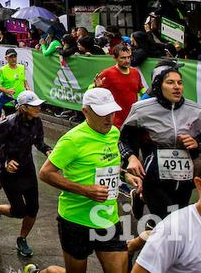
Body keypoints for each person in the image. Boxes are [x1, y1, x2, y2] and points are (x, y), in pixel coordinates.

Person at [38, 87, 144, 273]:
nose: (109, 118)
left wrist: (125, 175)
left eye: (111, 111)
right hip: (76, 220)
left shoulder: (114, 133)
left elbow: (106, 165)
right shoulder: (72, 140)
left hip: (107, 218)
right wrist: (85, 190)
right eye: (102, 113)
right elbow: (45, 173)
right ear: (85, 111)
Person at [120, 62, 201, 219]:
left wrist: (197, 143)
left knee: (178, 218)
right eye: (170, 82)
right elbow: (124, 139)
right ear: (159, 86)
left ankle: (142, 203)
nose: (177, 87)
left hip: (185, 178)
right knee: (166, 220)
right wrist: (131, 158)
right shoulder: (141, 109)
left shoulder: (196, 111)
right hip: (154, 176)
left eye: (180, 83)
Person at [0, 90, 52, 258]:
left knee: (33, 209)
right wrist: (5, 161)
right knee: (19, 211)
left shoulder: (37, 121)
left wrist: (48, 150)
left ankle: (22, 239)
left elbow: (39, 142)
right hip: (9, 172)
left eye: (39, 105)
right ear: (23, 107)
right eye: (34, 106)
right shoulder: (8, 123)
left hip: (27, 168)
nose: (38, 108)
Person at [92, 44, 144, 129]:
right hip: (115, 123)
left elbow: (141, 89)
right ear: (115, 58)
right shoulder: (107, 73)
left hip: (132, 120)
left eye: (128, 57)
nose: (127, 60)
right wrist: (96, 88)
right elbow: (93, 95)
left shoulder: (135, 72)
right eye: (123, 58)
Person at [0, 48, 27, 119]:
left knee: (21, 123)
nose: (13, 59)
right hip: (9, 102)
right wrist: (7, 91)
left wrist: (28, 89)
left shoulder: (21, 67)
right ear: (6, 58)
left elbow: (24, 80)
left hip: (21, 101)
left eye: (15, 56)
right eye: (11, 57)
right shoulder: (2, 70)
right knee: (10, 125)